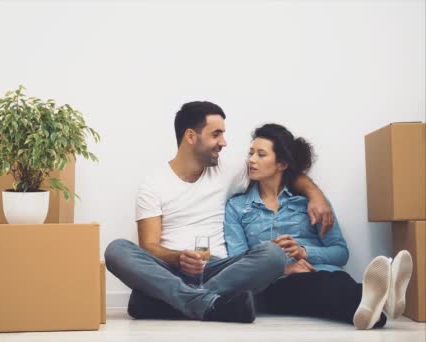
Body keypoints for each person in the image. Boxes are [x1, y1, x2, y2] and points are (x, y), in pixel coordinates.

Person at [104, 102, 335, 323]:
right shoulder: (153, 184)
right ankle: (207, 302)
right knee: (116, 250)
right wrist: (178, 258)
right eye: (216, 134)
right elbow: (149, 246)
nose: (223, 142)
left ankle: (176, 301)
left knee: (273, 254)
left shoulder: (228, 170)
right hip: (170, 270)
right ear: (191, 137)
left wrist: (315, 194)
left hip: (219, 270)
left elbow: (279, 169)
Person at [224, 123, 413, 329]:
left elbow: (340, 253)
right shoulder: (237, 206)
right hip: (276, 285)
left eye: (261, 154)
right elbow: (238, 261)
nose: (251, 160)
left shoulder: (311, 203)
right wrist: (283, 267)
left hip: (328, 275)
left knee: (336, 284)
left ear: (282, 164)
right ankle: (385, 299)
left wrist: (304, 252)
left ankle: (374, 310)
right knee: (320, 286)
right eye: (251, 153)